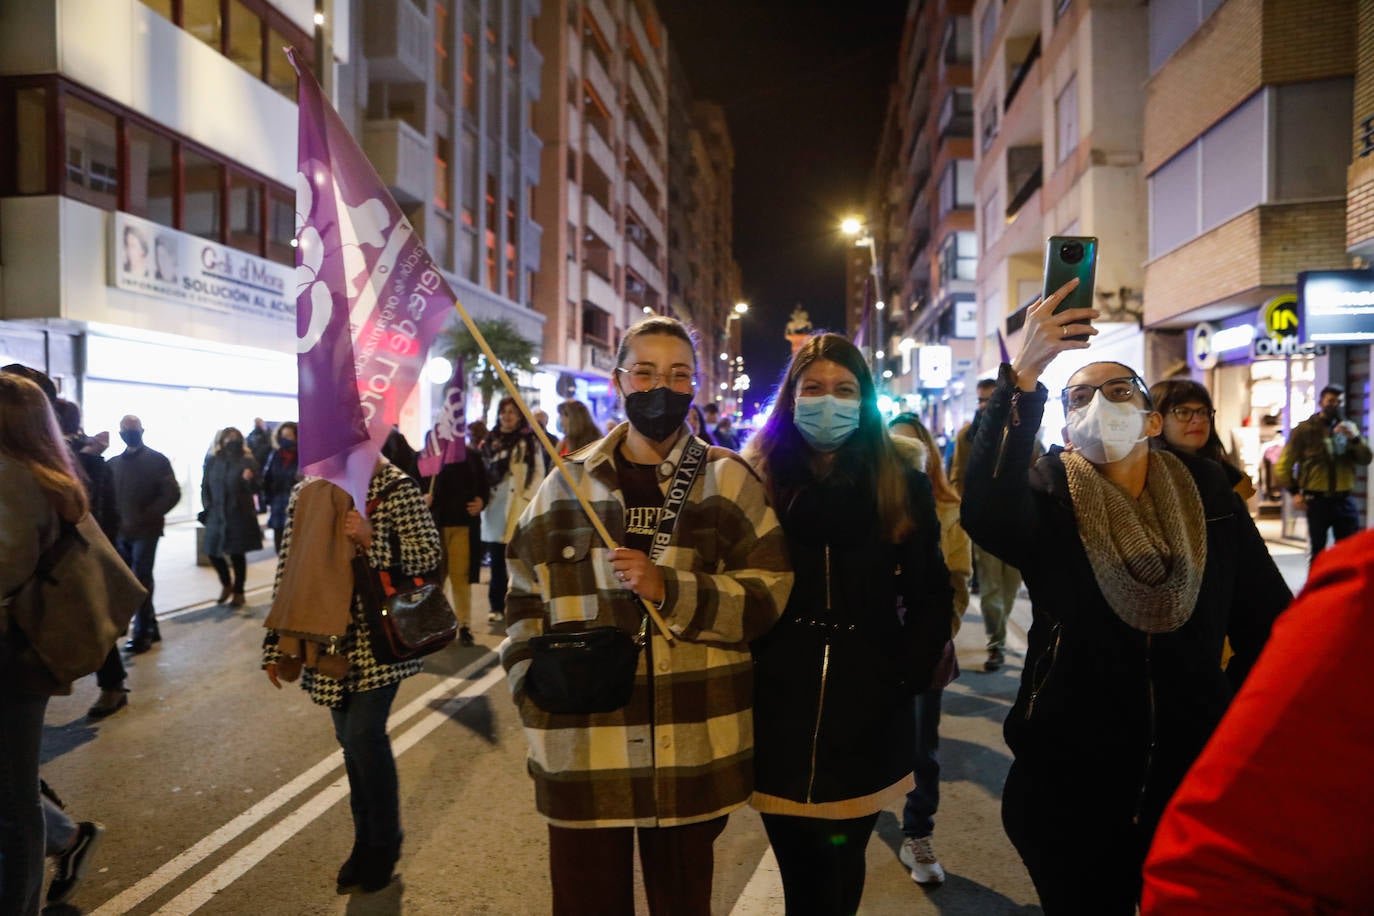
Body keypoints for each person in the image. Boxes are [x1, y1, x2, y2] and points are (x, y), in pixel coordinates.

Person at [961, 279, 1292, 914]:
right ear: (1064, 422)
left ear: (1151, 418)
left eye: (1118, 392)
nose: (1099, 405)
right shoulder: (1048, 497)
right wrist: (1024, 374)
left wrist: (1232, 720)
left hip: (1192, 777)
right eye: (1079, 397)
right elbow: (985, 507)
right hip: (1068, 784)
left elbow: (1269, 625)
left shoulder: (1210, 496)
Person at [501, 316, 792, 916]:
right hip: (583, 747)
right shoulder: (566, 485)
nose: (663, 387)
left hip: (692, 747)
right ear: (618, 382)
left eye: (680, 374)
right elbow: (521, 596)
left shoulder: (728, 479)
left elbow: (770, 593)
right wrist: (528, 686)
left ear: (695, 387)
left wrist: (673, 590)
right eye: (647, 372)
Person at [743, 334, 953, 915]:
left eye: (844, 389)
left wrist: (903, 673)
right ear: (791, 397)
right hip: (777, 702)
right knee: (802, 875)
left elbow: (932, 591)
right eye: (813, 388)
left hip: (868, 704)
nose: (827, 401)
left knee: (841, 865)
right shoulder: (754, 477)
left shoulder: (899, 480)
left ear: (864, 401)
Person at [1140, 529, 1374, 913]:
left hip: (1195, 742)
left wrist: (1222, 703)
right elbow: (1212, 878)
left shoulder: (1216, 499)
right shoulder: (1364, 591)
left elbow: (1263, 621)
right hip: (1082, 764)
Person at [264, 457, 442, 894]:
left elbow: (428, 555)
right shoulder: (308, 490)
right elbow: (289, 567)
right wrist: (275, 643)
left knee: (364, 736)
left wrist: (371, 537)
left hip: (377, 637)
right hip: (325, 638)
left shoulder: (394, 485)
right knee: (349, 741)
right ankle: (364, 843)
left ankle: (383, 844)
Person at [0, 372, 91, 915]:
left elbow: (5, 571)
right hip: (23, 655)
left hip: (11, 656)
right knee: (13, 797)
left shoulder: (15, 479)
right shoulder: (42, 474)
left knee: (13, 803)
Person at [888, 412, 972, 886]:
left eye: (911, 451)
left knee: (923, 748)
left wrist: (940, 630)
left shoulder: (946, 507)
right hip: (871, 639)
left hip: (926, 641)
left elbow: (958, 577)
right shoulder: (868, 502)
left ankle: (917, 831)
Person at [52, 399, 127, 715]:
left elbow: (101, 506)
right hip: (59, 549)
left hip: (75, 550)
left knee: (93, 619)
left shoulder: (85, 455)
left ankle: (113, 685)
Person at [951, 377, 1025, 672]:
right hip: (987, 525)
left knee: (1010, 588)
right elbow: (956, 474)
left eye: (989, 399)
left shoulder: (1023, 431)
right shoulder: (968, 435)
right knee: (992, 590)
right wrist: (971, 509)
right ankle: (997, 644)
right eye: (980, 400)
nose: (984, 406)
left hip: (1019, 525)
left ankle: (1001, 631)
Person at [1274, 384, 1372, 565]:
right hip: (1318, 500)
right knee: (1318, 554)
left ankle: (1344, 591)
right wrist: (1294, 492)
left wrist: (1355, 439)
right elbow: (1282, 466)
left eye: (1339, 402)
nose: (1335, 405)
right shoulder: (1304, 430)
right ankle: (1318, 590)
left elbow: (1366, 458)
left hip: (1344, 500)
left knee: (1348, 553)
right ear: (1321, 402)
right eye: (1330, 401)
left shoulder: (1349, 428)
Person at [108, 415, 181, 654]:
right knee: (132, 581)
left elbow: (171, 494)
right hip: (122, 532)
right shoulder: (113, 463)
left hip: (146, 531)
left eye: (133, 428)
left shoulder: (156, 460)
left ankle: (142, 634)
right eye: (125, 429)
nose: (129, 432)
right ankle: (151, 627)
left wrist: (148, 515)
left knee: (141, 579)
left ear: (142, 430)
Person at [478, 397, 545, 625]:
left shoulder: (527, 441)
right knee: (497, 562)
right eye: (503, 411)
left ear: (519, 416)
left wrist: (528, 500)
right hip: (495, 507)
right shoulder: (489, 442)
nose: (507, 416)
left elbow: (538, 474)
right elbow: (481, 474)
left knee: (518, 561)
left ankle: (519, 606)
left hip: (518, 507)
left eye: (512, 412)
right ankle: (496, 606)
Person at [419, 427, 488, 647]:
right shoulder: (426, 458)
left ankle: (464, 624)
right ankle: (437, 625)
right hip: (434, 526)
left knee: (461, 577)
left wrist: (481, 502)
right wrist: (423, 498)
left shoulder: (471, 457)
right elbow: (411, 484)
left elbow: (485, 485)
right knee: (436, 577)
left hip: (462, 525)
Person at [1149, 378, 1255, 500]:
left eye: (1203, 412)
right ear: (1155, 421)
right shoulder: (1147, 476)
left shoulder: (1227, 475)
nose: (1198, 420)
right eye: (1183, 412)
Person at [202, 427, 263, 607]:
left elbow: (257, 488)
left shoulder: (248, 461)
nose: (231, 440)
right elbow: (205, 485)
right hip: (216, 513)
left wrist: (249, 480)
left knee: (237, 554)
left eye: (235, 437)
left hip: (239, 513)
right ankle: (226, 584)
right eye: (228, 437)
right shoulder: (213, 461)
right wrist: (207, 506)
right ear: (220, 440)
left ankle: (239, 591)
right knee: (212, 551)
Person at [262, 421, 300, 553]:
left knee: (295, 547)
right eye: (283, 436)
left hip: (297, 505)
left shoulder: (303, 455)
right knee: (279, 547)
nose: (285, 439)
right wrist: (268, 500)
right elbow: (267, 478)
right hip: (278, 504)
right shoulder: (275, 455)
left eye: (289, 436)